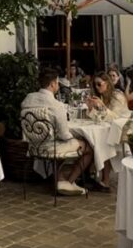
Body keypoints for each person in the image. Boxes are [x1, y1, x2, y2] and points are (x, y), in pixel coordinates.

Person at [21, 67, 95, 196]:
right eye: (57, 82)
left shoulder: (28, 99)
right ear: (53, 84)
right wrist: (76, 136)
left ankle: (60, 179)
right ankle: (69, 182)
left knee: (59, 143)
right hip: (51, 147)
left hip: (34, 146)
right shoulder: (56, 105)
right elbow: (64, 134)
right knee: (88, 147)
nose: (58, 85)